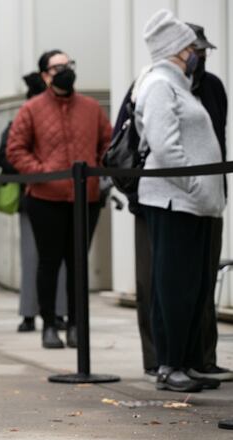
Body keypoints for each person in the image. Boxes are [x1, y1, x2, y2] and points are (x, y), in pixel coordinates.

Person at [114, 22, 233, 383]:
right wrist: (195, 186)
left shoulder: (183, 85)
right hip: (174, 202)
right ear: (178, 49)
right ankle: (170, 365)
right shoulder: (159, 85)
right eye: (192, 48)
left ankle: (190, 361)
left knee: (195, 287)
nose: (198, 55)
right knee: (172, 286)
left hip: (194, 204)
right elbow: (165, 149)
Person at [7, 50, 111, 349]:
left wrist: (97, 169)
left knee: (78, 263)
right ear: (44, 75)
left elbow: (108, 142)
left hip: (85, 198)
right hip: (45, 198)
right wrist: (43, 172)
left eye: (68, 65)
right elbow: (16, 149)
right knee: (49, 263)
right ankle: (49, 325)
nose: (64, 70)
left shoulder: (91, 108)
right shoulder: (31, 109)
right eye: (57, 67)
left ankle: (77, 325)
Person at [0, 73, 69, 333]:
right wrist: (38, 170)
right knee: (34, 259)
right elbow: (9, 154)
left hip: (57, 195)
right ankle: (32, 313)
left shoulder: (64, 115)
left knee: (53, 260)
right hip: (31, 197)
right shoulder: (25, 117)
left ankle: (55, 312)